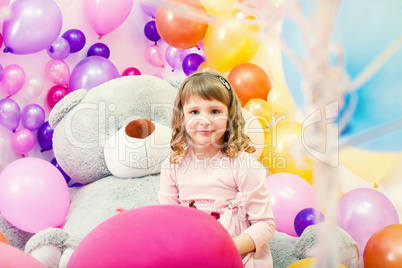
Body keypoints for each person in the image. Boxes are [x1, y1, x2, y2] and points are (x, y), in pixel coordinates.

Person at [158, 70, 276, 267]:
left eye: (215, 111)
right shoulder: (173, 165)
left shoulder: (243, 165)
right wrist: (139, 223)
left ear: (230, 115)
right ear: (182, 117)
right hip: (191, 256)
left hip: (237, 256)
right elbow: (166, 221)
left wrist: (224, 247)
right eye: (194, 112)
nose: (205, 120)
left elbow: (265, 225)